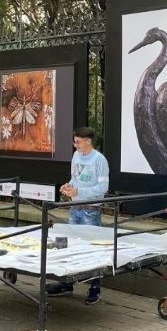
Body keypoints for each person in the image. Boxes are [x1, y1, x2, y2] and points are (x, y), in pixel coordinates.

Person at [46, 126, 109, 304]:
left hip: (91, 209)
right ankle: (67, 282)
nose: (76, 145)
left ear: (88, 141)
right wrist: (68, 186)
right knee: (70, 244)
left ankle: (95, 286)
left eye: (78, 142)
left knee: (92, 247)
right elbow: (75, 178)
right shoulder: (75, 156)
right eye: (75, 141)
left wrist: (78, 190)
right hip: (75, 206)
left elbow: (102, 188)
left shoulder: (99, 160)